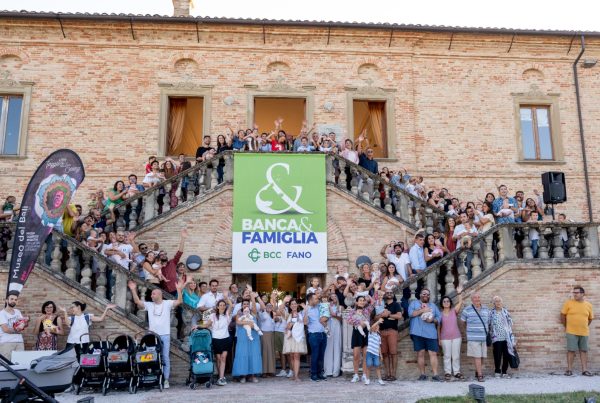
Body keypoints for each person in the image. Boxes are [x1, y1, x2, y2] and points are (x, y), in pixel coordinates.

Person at [128, 278, 186, 389]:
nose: (151, 296)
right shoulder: (150, 305)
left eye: (153, 294)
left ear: (159, 294)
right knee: (151, 357)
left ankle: (166, 380)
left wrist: (179, 289)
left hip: (165, 335)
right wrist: (133, 290)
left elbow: (179, 301)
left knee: (165, 357)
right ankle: (153, 377)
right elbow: (137, 302)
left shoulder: (167, 303)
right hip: (152, 336)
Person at [196, 296, 233, 386]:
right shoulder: (213, 316)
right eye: (220, 305)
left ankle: (221, 377)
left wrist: (226, 297)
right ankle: (220, 376)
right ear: (217, 306)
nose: (222, 306)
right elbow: (206, 325)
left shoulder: (227, 315)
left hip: (226, 338)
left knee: (223, 357)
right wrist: (197, 326)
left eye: (224, 305)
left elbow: (231, 305)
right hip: (216, 339)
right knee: (219, 359)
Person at [408, 288, 442, 381]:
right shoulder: (414, 303)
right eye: (424, 294)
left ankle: (435, 375)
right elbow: (410, 314)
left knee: (433, 353)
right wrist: (422, 311)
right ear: (420, 295)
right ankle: (422, 374)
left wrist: (433, 320)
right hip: (417, 332)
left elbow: (439, 317)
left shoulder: (433, 306)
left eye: (427, 294)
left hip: (431, 333)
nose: (425, 295)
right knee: (420, 353)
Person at [348, 287, 379, 383]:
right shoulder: (352, 311)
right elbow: (349, 320)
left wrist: (369, 295)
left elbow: (374, 302)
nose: (362, 302)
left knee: (366, 355)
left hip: (366, 332)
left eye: (363, 300)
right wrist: (359, 322)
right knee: (356, 355)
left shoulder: (368, 310)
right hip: (357, 333)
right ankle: (356, 374)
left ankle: (365, 375)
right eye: (360, 300)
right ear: (356, 302)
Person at [561, 285, 594, 377]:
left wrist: (584, 326)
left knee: (584, 350)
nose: (574, 294)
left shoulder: (588, 305)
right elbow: (562, 315)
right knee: (571, 350)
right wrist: (566, 326)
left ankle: (585, 370)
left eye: (577, 293)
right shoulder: (568, 303)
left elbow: (590, 318)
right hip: (571, 331)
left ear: (582, 294)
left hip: (584, 332)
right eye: (574, 293)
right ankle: (569, 370)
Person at [232, 292, 263, 383]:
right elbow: (238, 322)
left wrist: (253, 297)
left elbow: (254, 305)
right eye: (244, 304)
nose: (246, 305)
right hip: (242, 338)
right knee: (243, 355)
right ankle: (243, 376)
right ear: (241, 305)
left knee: (253, 355)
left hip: (253, 337)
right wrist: (248, 323)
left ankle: (252, 376)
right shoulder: (239, 313)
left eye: (247, 304)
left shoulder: (253, 312)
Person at [460, 292, 490, 382]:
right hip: (473, 337)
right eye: (475, 298)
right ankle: (480, 375)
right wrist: (468, 331)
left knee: (482, 357)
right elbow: (462, 322)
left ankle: (478, 371)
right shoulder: (467, 310)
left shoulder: (486, 309)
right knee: (477, 356)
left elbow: (488, 322)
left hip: (484, 337)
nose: (477, 299)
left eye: (478, 297)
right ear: (472, 299)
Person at [375, 290, 403, 381]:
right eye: (387, 293)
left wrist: (388, 314)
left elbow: (399, 316)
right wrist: (382, 315)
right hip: (382, 331)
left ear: (393, 294)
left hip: (392, 331)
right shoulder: (381, 304)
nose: (389, 294)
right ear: (385, 295)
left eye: (391, 292)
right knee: (384, 353)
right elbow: (375, 318)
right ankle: (387, 374)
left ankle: (393, 375)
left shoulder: (396, 305)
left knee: (393, 353)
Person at [438, 287, 465, 381]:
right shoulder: (439, 314)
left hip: (456, 337)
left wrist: (459, 293)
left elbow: (460, 302)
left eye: (448, 301)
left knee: (456, 355)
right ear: (442, 303)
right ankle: (448, 373)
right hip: (444, 338)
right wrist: (439, 339)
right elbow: (438, 327)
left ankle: (457, 372)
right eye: (444, 301)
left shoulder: (454, 311)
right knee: (447, 356)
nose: (446, 303)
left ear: (450, 303)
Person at [489, 295, 516, 379]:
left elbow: (510, 325)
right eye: (496, 301)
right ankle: (497, 371)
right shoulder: (491, 313)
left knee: (506, 355)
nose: (498, 303)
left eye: (499, 301)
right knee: (497, 355)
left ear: (502, 302)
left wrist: (512, 339)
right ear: (493, 303)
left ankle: (504, 372)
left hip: (506, 338)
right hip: (496, 338)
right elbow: (489, 324)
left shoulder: (505, 312)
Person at [282, 297, 307, 381]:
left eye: (295, 303)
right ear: (289, 306)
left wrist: (306, 310)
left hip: (299, 337)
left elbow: (306, 322)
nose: (294, 305)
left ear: (297, 305)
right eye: (292, 304)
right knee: (292, 356)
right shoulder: (287, 315)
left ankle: (296, 376)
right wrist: (284, 301)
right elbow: (279, 311)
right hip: (290, 337)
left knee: (296, 356)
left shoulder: (301, 313)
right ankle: (293, 374)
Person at [304, 292, 328, 382]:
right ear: (310, 300)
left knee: (321, 355)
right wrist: (306, 312)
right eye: (315, 299)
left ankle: (320, 373)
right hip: (314, 335)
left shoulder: (320, 307)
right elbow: (305, 323)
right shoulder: (307, 309)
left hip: (323, 334)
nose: (317, 300)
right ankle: (313, 374)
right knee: (315, 355)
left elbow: (326, 316)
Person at [0, 291, 27, 359]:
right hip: (7, 342)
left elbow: (23, 324)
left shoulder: (18, 312)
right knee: (6, 365)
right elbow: (5, 329)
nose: (13, 301)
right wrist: (17, 329)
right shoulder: (2, 313)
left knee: (20, 364)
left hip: (19, 341)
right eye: (11, 299)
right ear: (6, 300)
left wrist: (25, 322)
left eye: (15, 300)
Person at [323, 292, 343, 377]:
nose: (333, 298)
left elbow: (341, 318)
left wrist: (333, 314)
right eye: (332, 297)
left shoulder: (340, 307)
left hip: (337, 325)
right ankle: (328, 370)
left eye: (335, 296)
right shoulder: (327, 306)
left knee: (337, 346)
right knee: (328, 347)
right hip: (328, 325)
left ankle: (336, 371)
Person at [364, 319, 385, 385]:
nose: (376, 327)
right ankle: (367, 379)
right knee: (369, 366)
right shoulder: (370, 333)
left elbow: (379, 346)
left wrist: (380, 354)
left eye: (378, 326)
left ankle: (380, 379)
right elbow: (372, 327)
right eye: (376, 326)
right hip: (369, 353)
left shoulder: (378, 336)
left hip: (376, 354)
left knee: (377, 366)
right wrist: (378, 321)